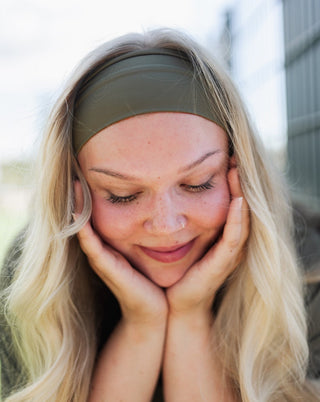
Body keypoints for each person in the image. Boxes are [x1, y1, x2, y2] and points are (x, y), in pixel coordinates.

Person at [0, 28, 319, 401]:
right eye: (123, 195)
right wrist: (142, 325)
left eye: (199, 183)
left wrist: (190, 314)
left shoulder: (309, 271)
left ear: (239, 172)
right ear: (73, 192)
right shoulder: (29, 288)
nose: (167, 225)